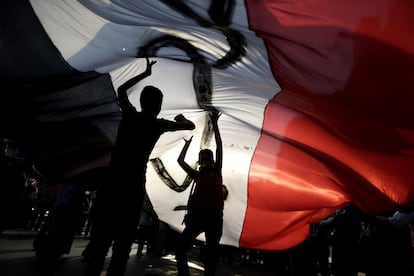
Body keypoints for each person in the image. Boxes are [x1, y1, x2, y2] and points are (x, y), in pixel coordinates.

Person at [83, 56, 195, 276]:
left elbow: (122, 91)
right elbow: (189, 125)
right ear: (159, 106)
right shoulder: (157, 124)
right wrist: (181, 118)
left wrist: (145, 73)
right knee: (123, 241)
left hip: (112, 182)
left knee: (102, 237)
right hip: (133, 186)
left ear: (142, 102)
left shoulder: (130, 116)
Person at [175, 110, 224, 276]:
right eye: (201, 159)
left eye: (206, 158)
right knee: (180, 249)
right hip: (198, 218)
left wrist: (215, 123)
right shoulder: (198, 175)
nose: (204, 161)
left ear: (212, 160)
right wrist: (187, 143)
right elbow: (180, 161)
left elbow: (219, 146)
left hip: (214, 219)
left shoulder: (217, 170)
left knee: (210, 258)